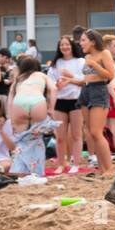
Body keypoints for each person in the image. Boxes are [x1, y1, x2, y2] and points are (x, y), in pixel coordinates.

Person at [61, 30, 115, 176]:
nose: (80, 43)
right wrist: (70, 81)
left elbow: (110, 76)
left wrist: (94, 64)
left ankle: (109, 169)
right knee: (90, 134)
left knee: (96, 132)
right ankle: (102, 169)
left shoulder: (104, 53)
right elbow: (87, 79)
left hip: (99, 91)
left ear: (92, 41)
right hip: (86, 91)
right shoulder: (87, 56)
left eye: (83, 40)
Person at [6, 57, 57, 178]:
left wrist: (10, 118)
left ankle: (20, 170)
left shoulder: (18, 79)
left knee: (21, 139)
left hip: (19, 102)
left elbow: (10, 98)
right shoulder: (41, 75)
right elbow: (53, 89)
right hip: (37, 101)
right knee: (37, 138)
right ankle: (37, 171)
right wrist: (51, 108)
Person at [48, 37, 85, 173]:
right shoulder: (56, 63)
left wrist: (70, 78)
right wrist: (58, 84)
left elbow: (84, 80)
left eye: (67, 44)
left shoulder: (80, 61)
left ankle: (75, 163)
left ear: (72, 46)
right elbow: (50, 83)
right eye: (62, 44)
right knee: (60, 136)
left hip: (76, 100)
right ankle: (61, 163)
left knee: (76, 134)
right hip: (60, 100)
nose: (65, 47)